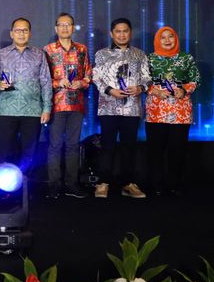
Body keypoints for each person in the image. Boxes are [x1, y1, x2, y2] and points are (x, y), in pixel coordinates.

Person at [92, 18, 151, 199]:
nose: (122, 34)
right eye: (118, 31)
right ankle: (103, 183)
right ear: (112, 33)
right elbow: (96, 78)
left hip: (131, 108)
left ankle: (128, 184)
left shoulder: (140, 55)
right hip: (108, 107)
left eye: (125, 31)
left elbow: (148, 78)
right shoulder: (101, 54)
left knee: (129, 147)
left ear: (130, 33)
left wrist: (140, 88)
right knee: (107, 146)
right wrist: (111, 91)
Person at [0, 17, 52, 176]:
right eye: (18, 30)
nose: (21, 33)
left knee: (29, 154)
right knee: (4, 152)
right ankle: (4, 191)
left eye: (25, 30)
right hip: (6, 110)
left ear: (30, 34)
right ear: (12, 34)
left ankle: (26, 188)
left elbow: (46, 82)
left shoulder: (39, 54)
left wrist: (46, 108)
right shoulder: (1, 54)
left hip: (32, 111)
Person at [145, 26, 200, 196]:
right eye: (163, 37)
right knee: (156, 150)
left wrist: (184, 90)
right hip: (156, 109)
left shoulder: (186, 58)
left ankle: (175, 184)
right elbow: (143, 81)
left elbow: (195, 78)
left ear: (176, 39)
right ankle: (157, 185)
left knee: (177, 150)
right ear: (157, 40)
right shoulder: (150, 58)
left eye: (171, 37)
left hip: (180, 110)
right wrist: (156, 91)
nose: (167, 40)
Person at [43, 13, 92, 199]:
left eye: (68, 25)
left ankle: (72, 184)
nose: (64, 28)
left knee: (73, 145)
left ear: (73, 28)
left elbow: (89, 74)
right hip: (56, 104)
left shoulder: (82, 49)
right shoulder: (47, 50)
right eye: (61, 25)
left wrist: (82, 83)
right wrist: (58, 83)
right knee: (55, 145)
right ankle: (54, 185)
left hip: (77, 104)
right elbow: (44, 78)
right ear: (56, 28)